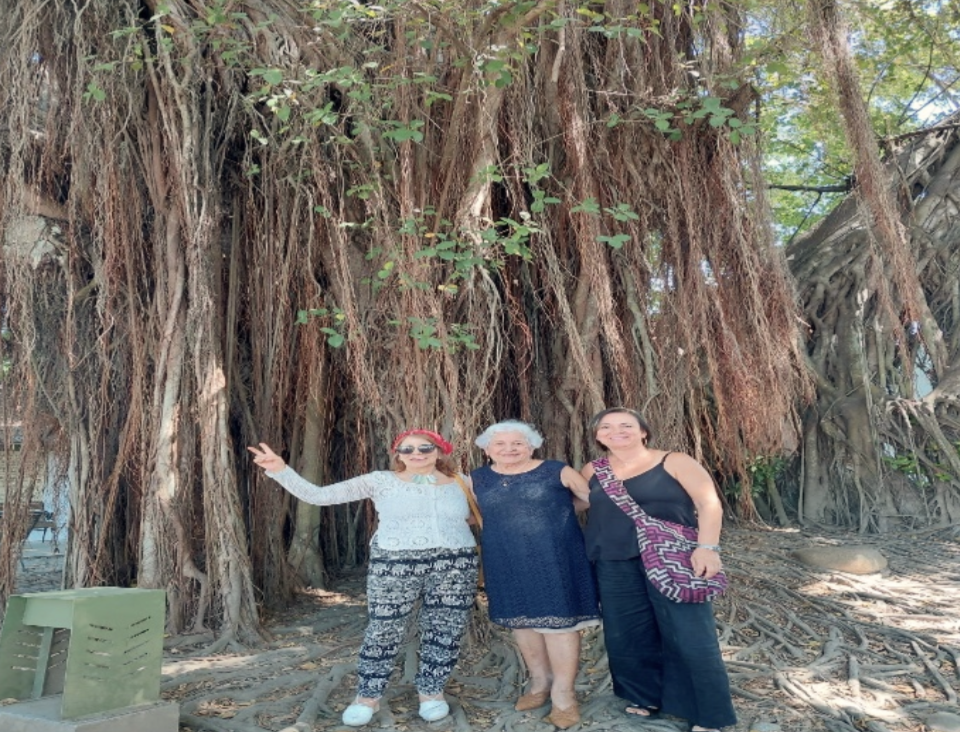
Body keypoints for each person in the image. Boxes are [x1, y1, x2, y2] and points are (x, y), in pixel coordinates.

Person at [248, 429, 479, 727]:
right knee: (384, 627)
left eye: (425, 447)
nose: (416, 453)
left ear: (440, 450)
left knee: (446, 628)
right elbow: (319, 496)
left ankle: (431, 692)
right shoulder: (380, 480)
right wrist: (281, 471)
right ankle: (367, 696)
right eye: (407, 449)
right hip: (394, 562)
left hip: (455, 563)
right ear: (397, 454)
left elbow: (477, 514)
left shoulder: (463, 482)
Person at [580, 408, 736, 732]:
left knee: (690, 634)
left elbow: (709, 503)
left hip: (675, 559)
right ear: (597, 436)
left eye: (626, 425)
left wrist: (708, 548)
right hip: (613, 560)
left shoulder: (675, 461)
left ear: (643, 432)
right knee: (626, 634)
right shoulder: (592, 471)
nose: (616, 431)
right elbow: (572, 504)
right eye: (606, 427)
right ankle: (645, 695)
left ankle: (708, 714)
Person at [470, 420, 599, 730]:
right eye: (500, 444)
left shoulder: (556, 470)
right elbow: (471, 512)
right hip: (505, 558)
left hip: (555, 556)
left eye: (518, 443)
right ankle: (539, 683)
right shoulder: (477, 478)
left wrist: (562, 515)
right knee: (522, 621)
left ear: (532, 445)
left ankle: (564, 694)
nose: (509, 449)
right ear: (487, 449)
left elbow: (592, 498)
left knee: (559, 623)